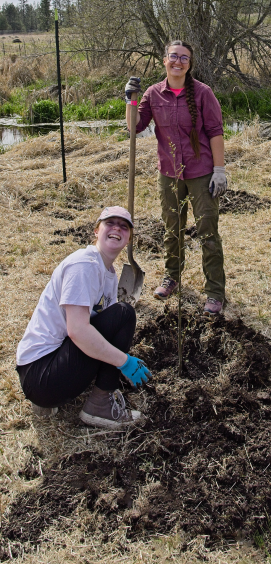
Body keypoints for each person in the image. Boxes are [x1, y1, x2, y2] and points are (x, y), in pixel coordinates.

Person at [15, 206, 151, 430]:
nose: (117, 228)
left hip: (49, 369)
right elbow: (77, 330)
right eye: (110, 223)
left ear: (128, 239)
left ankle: (72, 394)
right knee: (124, 314)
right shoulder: (84, 265)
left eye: (124, 226)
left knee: (118, 316)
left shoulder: (107, 274)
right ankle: (99, 406)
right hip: (40, 374)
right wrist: (123, 361)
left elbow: (104, 331)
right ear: (96, 231)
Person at [125, 39, 227, 315]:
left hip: (201, 173)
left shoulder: (203, 93)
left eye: (184, 58)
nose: (178, 62)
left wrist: (219, 170)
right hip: (169, 173)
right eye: (173, 56)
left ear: (189, 64)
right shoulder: (153, 93)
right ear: (164, 60)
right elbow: (135, 127)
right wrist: (130, 100)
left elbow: (216, 132)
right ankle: (172, 277)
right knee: (172, 230)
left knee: (208, 232)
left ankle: (215, 292)